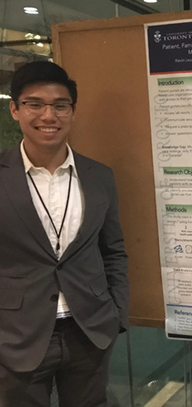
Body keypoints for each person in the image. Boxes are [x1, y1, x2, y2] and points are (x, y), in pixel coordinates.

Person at [0, 61, 129, 406]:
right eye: (34, 104)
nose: (48, 115)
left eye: (60, 105)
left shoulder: (99, 176)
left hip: (88, 331)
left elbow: (113, 250)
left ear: (72, 112)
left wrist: (116, 314)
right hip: (17, 337)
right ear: (15, 109)